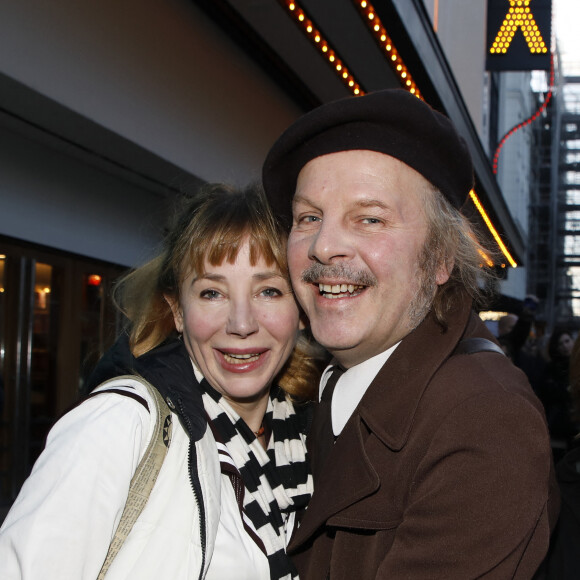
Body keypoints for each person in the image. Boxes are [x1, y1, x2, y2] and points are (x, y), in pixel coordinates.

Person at [262, 89, 559, 579]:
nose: (324, 245)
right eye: (309, 217)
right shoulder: (319, 387)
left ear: (441, 258)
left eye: (370, 219)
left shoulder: (485, 419)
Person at [0, 183, 320, 579]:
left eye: (268, 290)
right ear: (178, 310)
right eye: (212, 293)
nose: (241, 324)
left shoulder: (316, 439)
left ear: (302, 309)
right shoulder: (121, 423)